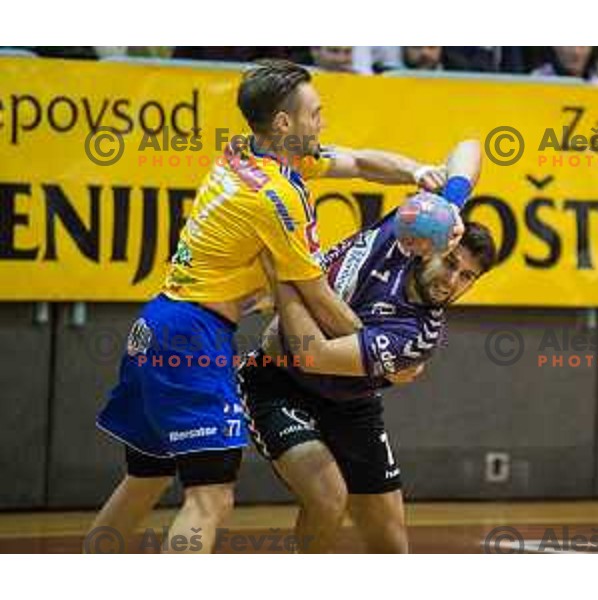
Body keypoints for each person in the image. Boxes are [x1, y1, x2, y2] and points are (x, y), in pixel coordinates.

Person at [86, 59, 446, 553]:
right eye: (315, 113)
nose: (323, 122)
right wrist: (381, 353)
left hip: (158, 324)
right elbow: (317, 296)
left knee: (144, 480)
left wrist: (417, 171)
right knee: (210, 498)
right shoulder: (275, 197)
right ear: (284, 123)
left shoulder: (248, 153)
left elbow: (358, 162)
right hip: (194, 332)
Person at [239, 140, 498, 553]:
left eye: (467, 277)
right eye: (451, 264)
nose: (452, 281)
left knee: (392, 547)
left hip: (349, 400)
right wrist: (449, 202)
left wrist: (286, 272)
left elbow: (313, 353)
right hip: (279, 384)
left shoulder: (418, 334)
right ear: (438, 246)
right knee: (327, 497)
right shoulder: (414, 231)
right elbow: (469, 146)